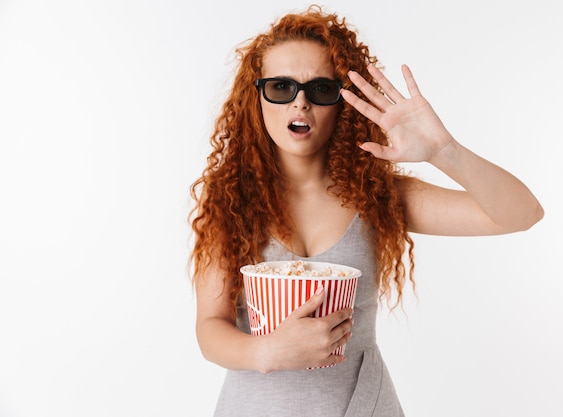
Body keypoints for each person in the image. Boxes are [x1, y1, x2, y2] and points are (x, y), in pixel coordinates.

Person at [189, 5, 544, 417]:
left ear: (344, 103)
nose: (300, 103)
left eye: (321, 89)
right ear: (257, 96)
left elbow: (522, 214)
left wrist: (444, 151)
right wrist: (268, 350)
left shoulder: (377, 195)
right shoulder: (229, 199)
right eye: (281, 87)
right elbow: (209, 328)